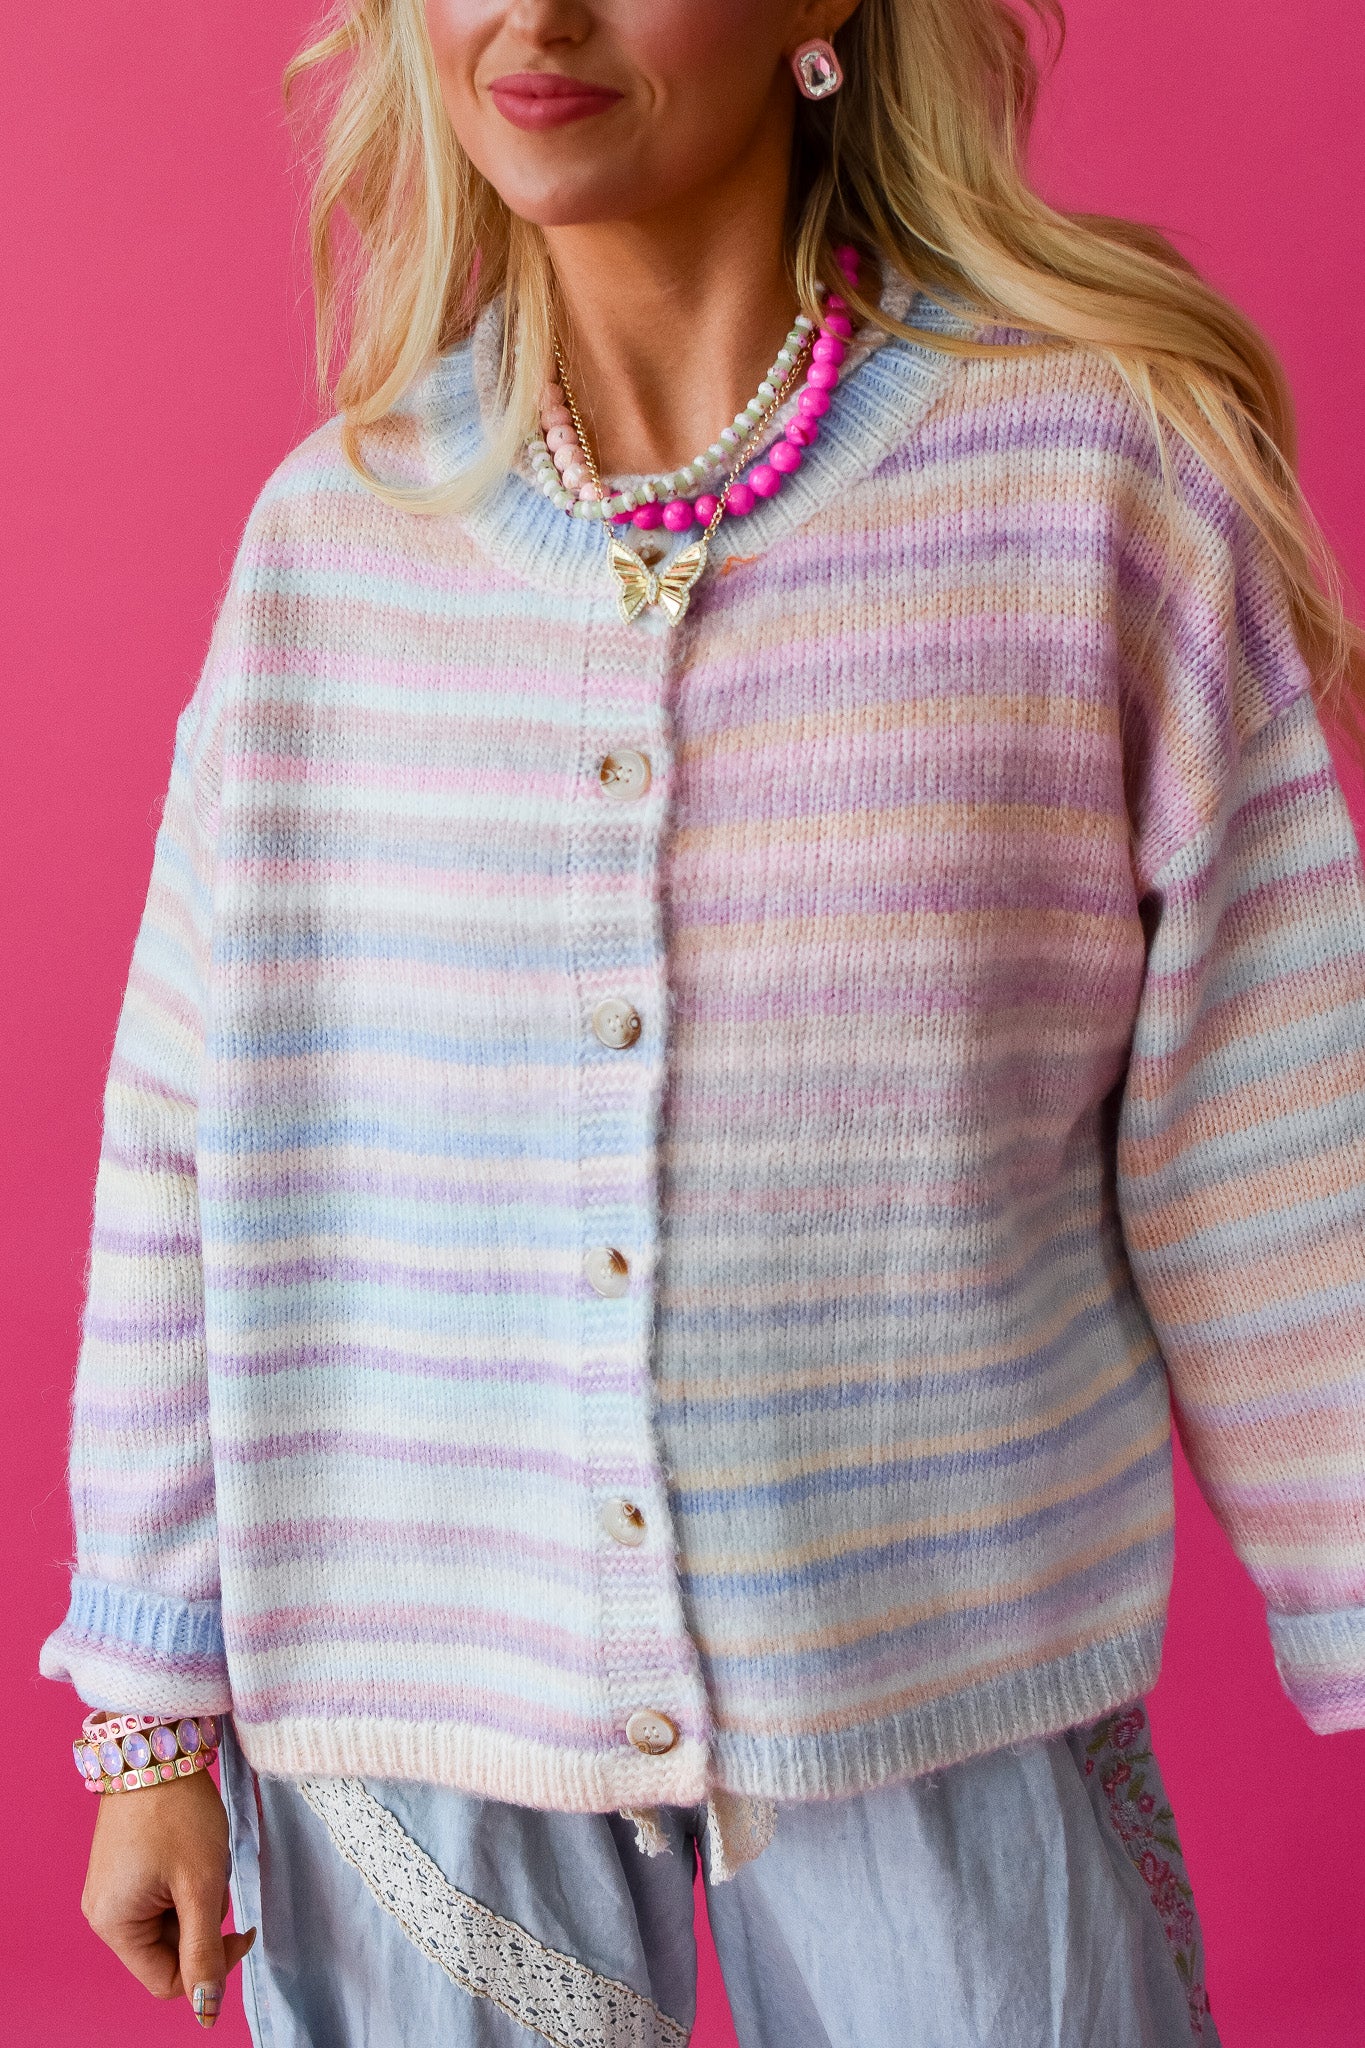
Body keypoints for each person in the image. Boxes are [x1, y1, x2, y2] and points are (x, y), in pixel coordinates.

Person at [44, 1, 1365, 2042]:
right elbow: (184, 1146)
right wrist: (147, 1702)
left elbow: (1269, 1126)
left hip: (941, 1651)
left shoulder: (1088, 483)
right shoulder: (336, 544)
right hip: (416, 1697)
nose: (536, 18)